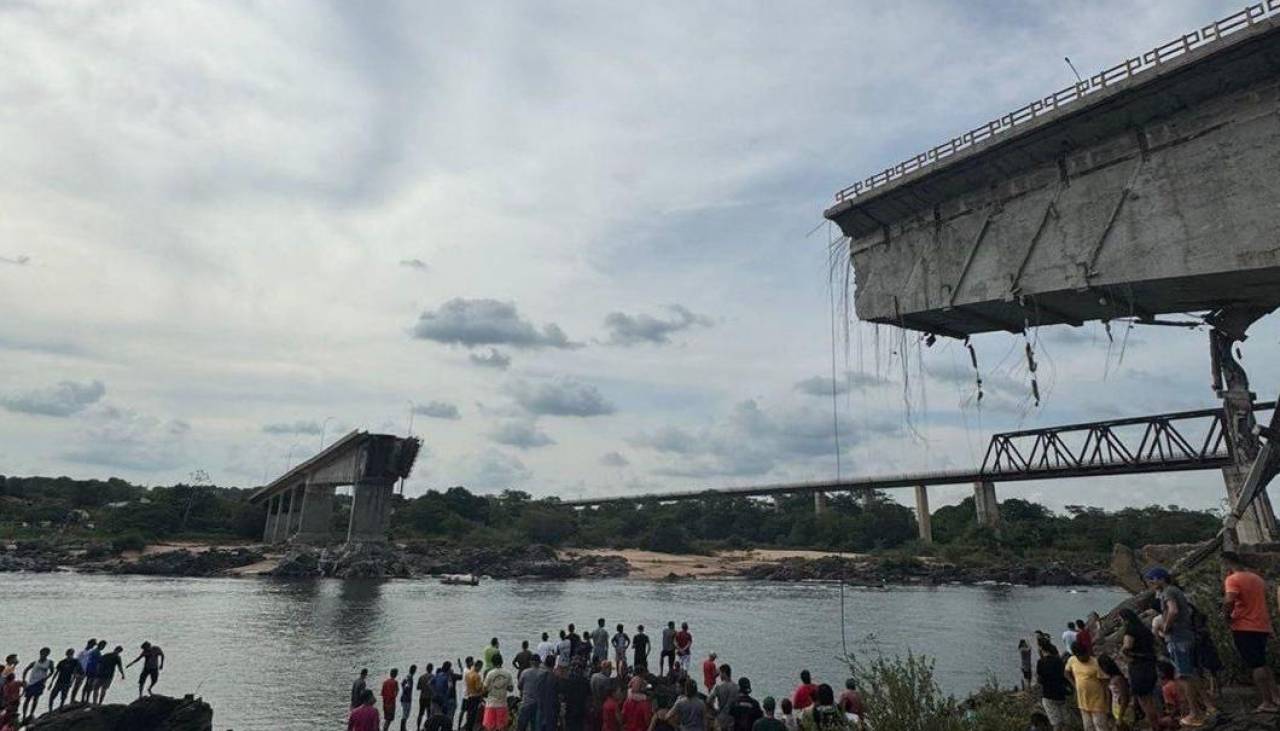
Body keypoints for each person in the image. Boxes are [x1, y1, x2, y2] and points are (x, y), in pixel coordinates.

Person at [1145, 567, 1208, 727]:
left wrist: (1165, 628)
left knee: (1183, 676)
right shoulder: (1174, 590)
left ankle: (1195, 713)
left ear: (1161, 579)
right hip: (1186, 635)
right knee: (1190, 673)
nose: (1151, 583)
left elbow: (1172, 610)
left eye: (1152, 579)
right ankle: (1205, 707)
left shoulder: (1168, 592)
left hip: (1178, 638)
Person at [1222, 551, 1280, 711]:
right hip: (1262, 624)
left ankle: (1267, 701)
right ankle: (1276, 696)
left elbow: (1229, 600)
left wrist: (1226, 616)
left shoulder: (1233, 579)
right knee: (1263, 662)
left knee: (1256, 665)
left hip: (1244, 626)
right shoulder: (1256, 578)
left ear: (1227, 562)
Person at [1117, 608, 1158, 728]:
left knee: (1143, 700)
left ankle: (1154, 726)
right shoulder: (1144, 629)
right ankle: (1156, 724)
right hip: (1150, 664)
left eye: (1120, 619)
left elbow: (1127, 646)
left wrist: (1123, 654)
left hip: (1138, 667)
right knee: (1150, 699)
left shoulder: (1131, 630)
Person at [1064, 642, 1110, 731]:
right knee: (1088, 727)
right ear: (1076, 655)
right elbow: (1066, 672)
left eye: (1085, 654)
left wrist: (1108, 703)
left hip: (1097, 700)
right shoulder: (1072, 660)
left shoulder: (1095, 663)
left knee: (1100, 726)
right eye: (1080, 656)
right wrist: (1074, 685)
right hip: (1083, 700)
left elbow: (1105, 684)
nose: (1083, 657)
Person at [1034, 638, 1068, 731]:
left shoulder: (1041, 662)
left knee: (1056, 724)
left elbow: (1039, 679)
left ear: (1042, 650)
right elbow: (1064, 675)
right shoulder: (1059, 661)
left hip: (1048, 694)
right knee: (1064, 723)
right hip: (1061, 694)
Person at [1098, 655, 1132, 731]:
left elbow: (1124, 698)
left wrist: (1120, 717)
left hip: (1123, 712)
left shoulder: (1118, 679)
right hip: (1117, 710)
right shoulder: (1111, 679)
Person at [481, 652, 514, 731]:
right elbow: (511, 689)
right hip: (502, 704)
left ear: (492, 662)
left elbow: (484, 689)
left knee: (490, 728)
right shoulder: (507, 673)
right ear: (502, 661)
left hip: (491, 704)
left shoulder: (490, 674)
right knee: (502, 727)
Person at [516, 654, 548, 731]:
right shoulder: (544, 673)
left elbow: (519, 686)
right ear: (539, 663)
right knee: (535, 726)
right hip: (539, 704)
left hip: (526, 703)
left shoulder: (525, 672)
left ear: (530, 662)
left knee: (521, 726)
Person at [20, 648, 53, 719]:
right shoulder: (35, 662)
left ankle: (31, 714)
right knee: (27, 699)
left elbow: (52, 671)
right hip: (31, 683)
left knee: (36, 699)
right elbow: (26, 670)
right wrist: (24, 680)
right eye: (43, 653)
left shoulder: (49, 662)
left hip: (40, 683)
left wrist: (46, 678)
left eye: (46, 653)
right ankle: (24, 715)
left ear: (48, 654)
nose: (44, 654)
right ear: (40, 653)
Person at [560, 656, 591, 731]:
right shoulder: (585, 682)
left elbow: (562, 698)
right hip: (580, 712)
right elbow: (589, 698)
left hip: (571, 711)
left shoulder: (566, 681)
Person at [710, 664, 739, 731]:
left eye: (720, 673)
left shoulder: (718, 686)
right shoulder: (737, 687)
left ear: (724, 673)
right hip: (732, 719)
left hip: (721, 718)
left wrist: (715, 709)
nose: (719, 675)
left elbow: (709, 700)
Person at [70, 639, 94, 704]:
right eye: (92, 644)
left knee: (80, 685)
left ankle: (79, 699)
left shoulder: (90, 652)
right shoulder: (82, 652)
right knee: (76, 685)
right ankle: (72, 699)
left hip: (86, 671)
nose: (93, 646)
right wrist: (79, 670)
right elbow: (78, 661)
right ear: (89, 644)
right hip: (80, 671)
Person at [463, 660, 484, 731]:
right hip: (475, 697)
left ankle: (467, 728)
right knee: (473, 716)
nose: (481, 669)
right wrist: (482, 686)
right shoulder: (477, 676)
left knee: (469, 715)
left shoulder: (468, 674)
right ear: (478, 666)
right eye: (481, 667)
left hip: (469, 696)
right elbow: (478, 688)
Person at [418, 663, 436, 731]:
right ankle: (428, 728)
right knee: (429, 713)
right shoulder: (433, 677)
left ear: (426, 668)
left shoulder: (421, 677)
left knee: (420, 713)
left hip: (422, 697)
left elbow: (418, 688)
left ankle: (418, 727)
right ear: (432, 669)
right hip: (429, 698)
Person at [400, 665, 418, 731]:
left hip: (404, 698)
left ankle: (403, 728)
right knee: (405, 714)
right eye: (415, 670)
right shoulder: (409, 677)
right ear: (414, 670)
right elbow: (406, 686)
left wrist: (404, 690)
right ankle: (402, 728)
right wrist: (406, 692)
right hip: (406, 699)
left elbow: (402, 683)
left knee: (405, 714)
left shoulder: (407, 676)